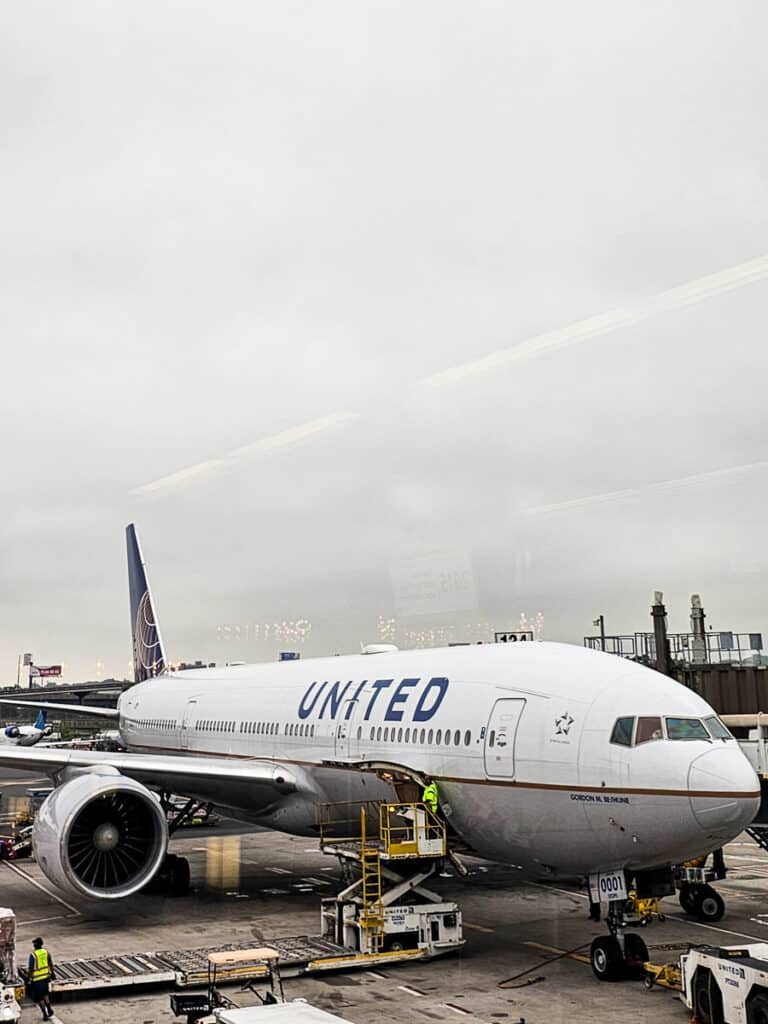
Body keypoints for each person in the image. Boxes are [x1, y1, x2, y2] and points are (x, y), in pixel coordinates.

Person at [28, 937, 54, 1020]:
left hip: (37, 979)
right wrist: (52, 973)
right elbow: (50, 963)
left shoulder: (33, 955)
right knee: (45, 994)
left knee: (39, 998)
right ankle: (49, 1008)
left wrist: (29, 979)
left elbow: (31, 968)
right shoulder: (46, 952)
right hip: (46, 976)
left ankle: (45, 1014)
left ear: (35, 945)